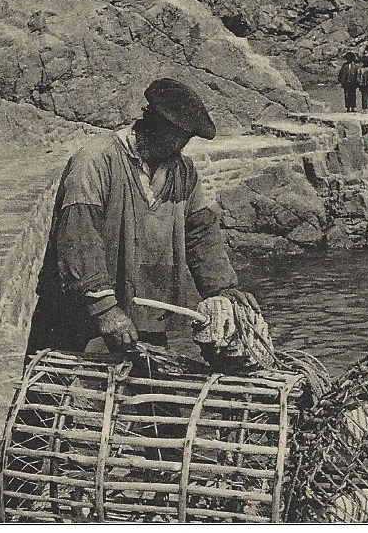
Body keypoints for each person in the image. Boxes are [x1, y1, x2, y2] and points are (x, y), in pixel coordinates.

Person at [25, 77, 261, 359]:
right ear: (153, 123)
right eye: (175, 136)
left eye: (184, 139)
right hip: (77, 316)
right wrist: (106, 309)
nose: (179, 146)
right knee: (56, 394)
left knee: (150, 397)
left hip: (144, 316)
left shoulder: (183, 172)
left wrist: (222, 287)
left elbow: (201, 233)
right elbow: (79, 239)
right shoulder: (96, 162)